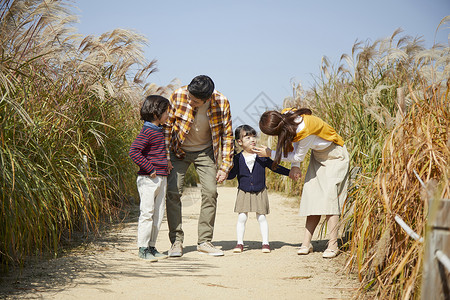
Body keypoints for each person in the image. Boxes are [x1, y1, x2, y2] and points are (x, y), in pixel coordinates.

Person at [254, 108, 349, 258]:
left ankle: (333, 244)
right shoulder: (287, 118)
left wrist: (270, 153)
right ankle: (306, 243)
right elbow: (294, 146)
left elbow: (297, 154)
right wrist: (295, 167)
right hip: (318, 157)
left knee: (330, 199)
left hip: (335, 156)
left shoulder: (305, 129)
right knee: (312, 196)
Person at [163, 75, 234, 257]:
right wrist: (167, 157)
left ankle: (204, 241)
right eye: (189, 96)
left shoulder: (222, 102)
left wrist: (225, 166)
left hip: (206, 151)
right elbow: (167, 128)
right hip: (179, 150)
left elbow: (227, 135)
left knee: (210, 192)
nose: (189, 101)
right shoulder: (178, 95)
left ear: (207, 99)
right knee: (173, 192)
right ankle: (176, 242)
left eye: (195, 101)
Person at [227, 125, 290, 253]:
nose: (252, 140)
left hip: (260, 190)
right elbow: (232, 175)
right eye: (248, 137)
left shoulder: (262, 156)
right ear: (239, 142)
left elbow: (275, 167)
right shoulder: (237, 158)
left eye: (254, 136)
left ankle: (265, 243)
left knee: (261, 217)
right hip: (243, 190)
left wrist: (290, 173)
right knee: (242, 217)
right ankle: (239, 243)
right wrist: (223, 174)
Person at [129, 95, 171, 261]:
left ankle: (152, 246)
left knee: (158, 214)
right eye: (167, 111)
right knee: (147, 213)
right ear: (156, 113)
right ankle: (143, 248)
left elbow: (156, 153)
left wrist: (165, 163)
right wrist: (150, 168)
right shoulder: (147, 131)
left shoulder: (159, 130)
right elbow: (134, 152)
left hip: (161, 177)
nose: (169, 114)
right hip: (149, 179)